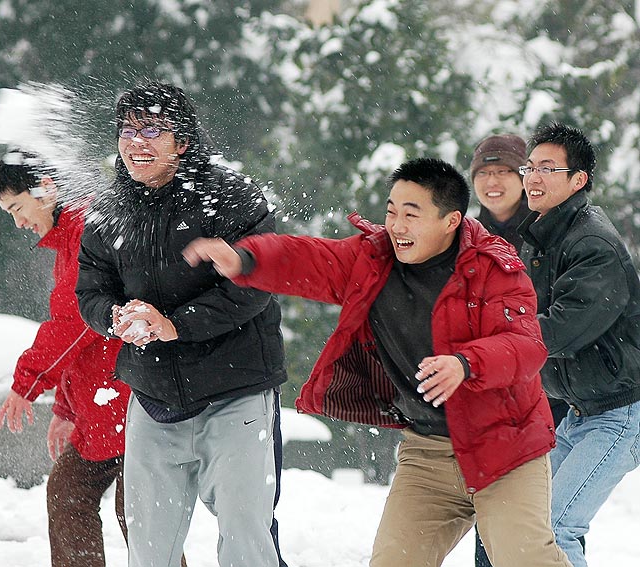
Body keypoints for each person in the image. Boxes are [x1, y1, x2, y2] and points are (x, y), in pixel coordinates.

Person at [184, 157, 574, 567]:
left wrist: (465, 363)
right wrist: (246, 260)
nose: (397, 226)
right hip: (427, 454)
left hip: (506, 449)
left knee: (526, 558)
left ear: (451, 220)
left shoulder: (495, 269)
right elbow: (308, 257)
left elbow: (526, 346)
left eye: (412, 214)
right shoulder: (372, 261)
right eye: (391, 211)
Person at [75, 82, 289, 567]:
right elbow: (90, 289)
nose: (136, 142)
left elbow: (256, 284)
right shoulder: (109, 212)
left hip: (236, 392)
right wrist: (116, 318)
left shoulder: (230, 198)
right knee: (150, 547)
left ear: (183, 142)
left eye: (152, 130)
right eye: (127, 131)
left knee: (245, 539)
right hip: (152, 397)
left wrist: (174, 325)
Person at [0, 151, 137, 567]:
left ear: (45, 189)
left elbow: (74, 322)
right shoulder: (69, 236)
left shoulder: (87, 228)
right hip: (103, 404)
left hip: (135, 399)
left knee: (141, 515)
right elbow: (81, 341)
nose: (18, 223)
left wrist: (27, 384)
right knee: (69, 492)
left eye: (16, 207)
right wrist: (68, 407)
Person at [517, 123, 640, 567]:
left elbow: (562, 329)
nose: (532, 177)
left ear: (578, 180)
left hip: (620, 412)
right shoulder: (547, 237)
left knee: (555, 528)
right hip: (580, 412)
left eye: (547, 168)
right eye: (529, 166)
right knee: (530, 525)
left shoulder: (591, 243)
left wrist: (498, 344)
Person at [470, 133, 581, 566]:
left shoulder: (545, 230)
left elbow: (562, 312)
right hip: (486, 388)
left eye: (504, 171)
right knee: (490, 499)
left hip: (542, 386)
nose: (493, 181)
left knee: (540, 513)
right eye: (484, 172)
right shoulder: (466, 233)